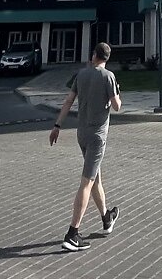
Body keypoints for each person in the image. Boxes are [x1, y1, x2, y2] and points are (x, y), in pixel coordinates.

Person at [49, 41, 122, 251]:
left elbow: (68, 102)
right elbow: (117, 106)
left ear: (93, 56)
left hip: (82, 134)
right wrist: (117, 93)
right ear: (107, 58)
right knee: (87, 183)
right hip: (97, 137)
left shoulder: (81, 75)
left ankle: (106, 218)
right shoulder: (108, 76)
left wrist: (57, 126)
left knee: (95, 177)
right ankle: (72, 234)